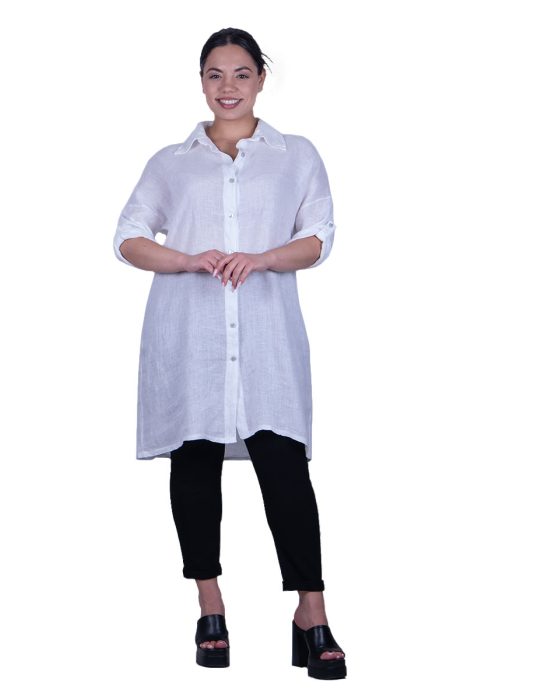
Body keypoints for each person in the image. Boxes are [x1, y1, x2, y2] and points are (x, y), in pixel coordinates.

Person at [113, 27, 346, 680]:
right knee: (194, 465)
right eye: (215, 74)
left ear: (261, 79)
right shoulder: (171, 162)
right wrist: (188, 259)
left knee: (285, 468)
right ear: (201, 81)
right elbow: (128, 236)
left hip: (268, 339)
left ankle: (312, 613)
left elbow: (320, 237)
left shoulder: (296, 155)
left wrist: (263, 258)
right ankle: (209, 609)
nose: (228, 87)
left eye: (241, 73)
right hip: (189, 337)